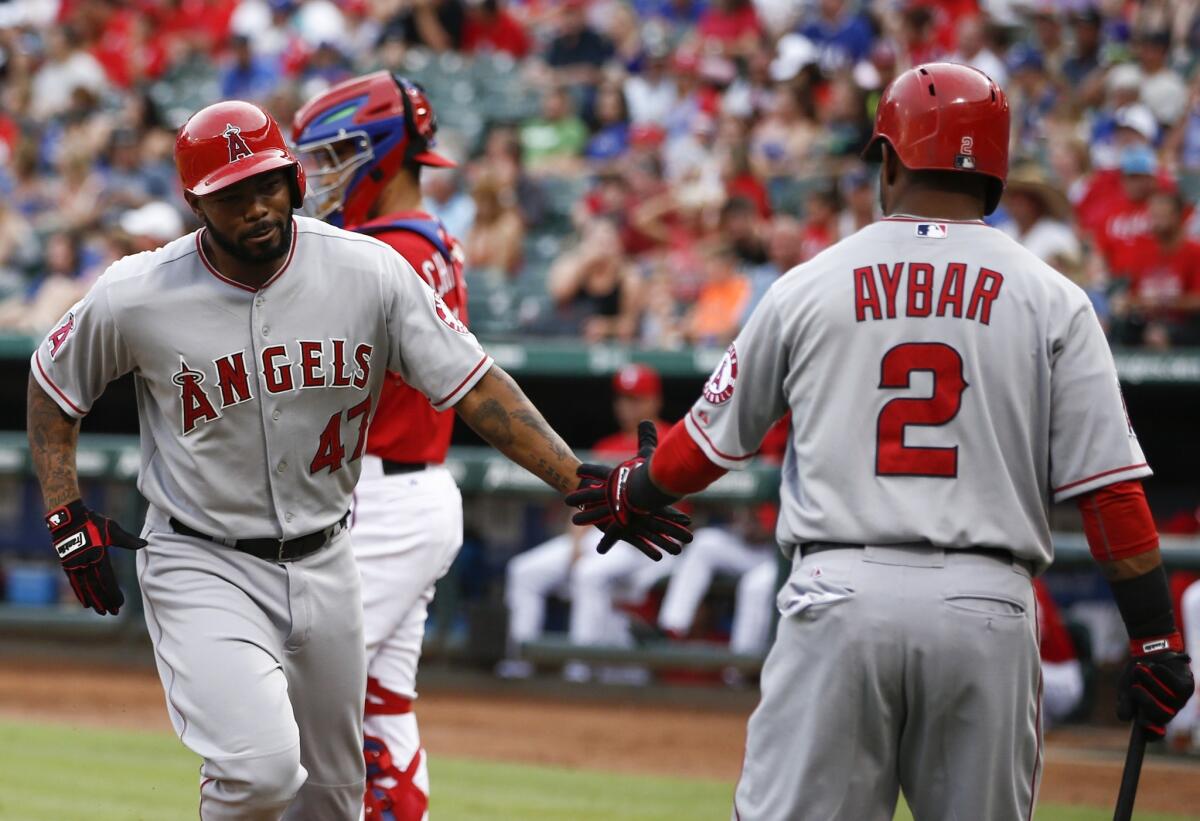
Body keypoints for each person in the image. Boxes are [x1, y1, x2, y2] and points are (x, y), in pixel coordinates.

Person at [26, 100, 689, 821]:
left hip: (328, 556)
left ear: (295, 180)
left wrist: (582, 479)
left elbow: (477, 386)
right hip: (201, 558)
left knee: (338, 798)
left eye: (267, 183)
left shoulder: (367, 271)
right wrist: (64, 508)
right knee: (260, 771)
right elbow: (51, 383)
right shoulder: (138, 293)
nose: (256, 207)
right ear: (195, 204)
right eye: (233, 194)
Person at [566, 63, 1194, 820]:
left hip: (839, 596)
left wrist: (634, 492)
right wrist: (1156, 636)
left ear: (891, 160)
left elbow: (702, 445)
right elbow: (1110, 493)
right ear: (994, 172)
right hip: (987, 606)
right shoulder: (1056, 298)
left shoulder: (808, 282)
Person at [291, 71, 465, 820]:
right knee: (380, 704)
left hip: (384, 498)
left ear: (385, 152)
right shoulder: (430, 241)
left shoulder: (382, 249)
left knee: (296, 703)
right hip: (408, 487)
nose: (322, 175)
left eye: (336, 156)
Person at [502, 364, 673, 680]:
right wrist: (577, 540)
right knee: (523, 571)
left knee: (588, 573)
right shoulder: (605, 446)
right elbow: (582, 500)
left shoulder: (669, 441)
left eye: (637, 398)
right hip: (599, 536)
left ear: (655, 401)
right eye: (624, 398)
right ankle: (518, 666)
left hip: (644, 542)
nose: (628, 406)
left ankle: (578, 673)